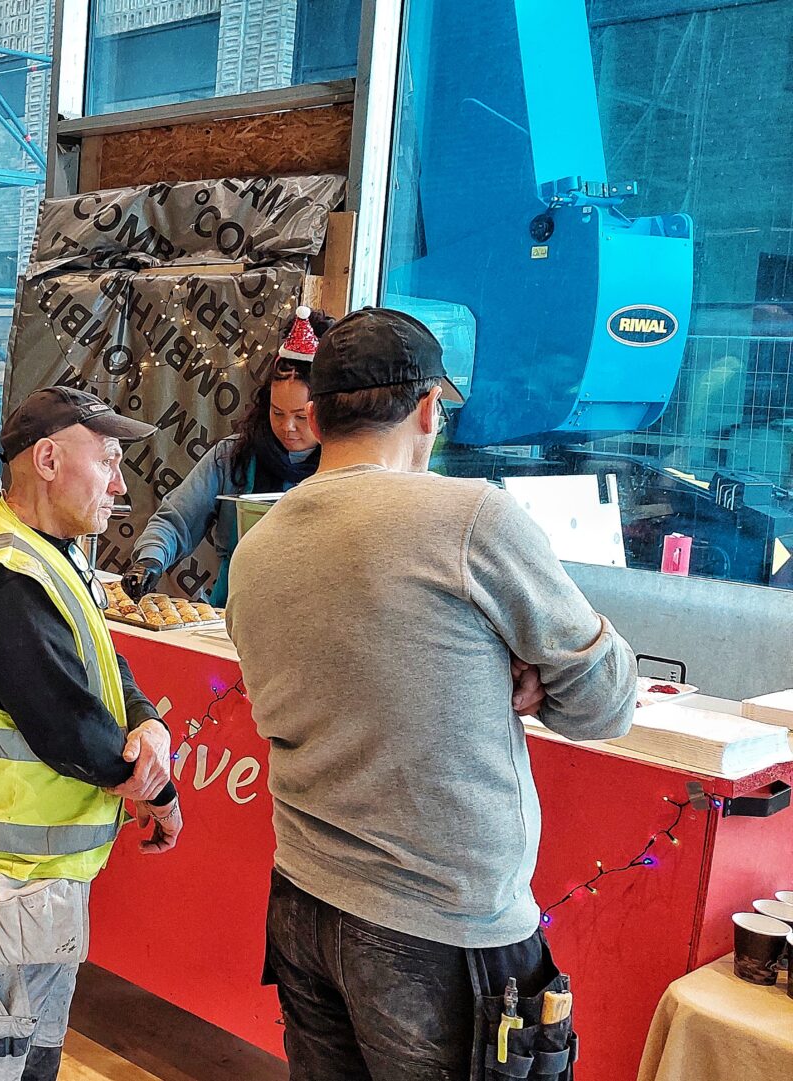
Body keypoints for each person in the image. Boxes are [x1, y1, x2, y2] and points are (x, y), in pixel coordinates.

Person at [225, 308, 637, 1080]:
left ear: (315, 416)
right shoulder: (469, 518)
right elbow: (606, 704)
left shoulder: (257, 548)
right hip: (441, 924)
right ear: (426, 408)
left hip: (304, 902)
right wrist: (526, 666)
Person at [0, 386, 182, 1081]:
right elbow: (68, 724)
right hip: (20, 866)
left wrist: (147, 720)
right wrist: (155, 787)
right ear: (45, 459)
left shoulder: (49, 551)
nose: (121, 483)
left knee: (18, 1040)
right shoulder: (4, 576)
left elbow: (100, 660)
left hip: (41, 864)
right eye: (107, 461)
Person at [126, 310, 328, 605]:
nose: (288, 427)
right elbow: (177, 519)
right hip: (230, 614)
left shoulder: (341, 465)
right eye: (277, 412)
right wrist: (150, 558)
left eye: (301, 416)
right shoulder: (233, 456)